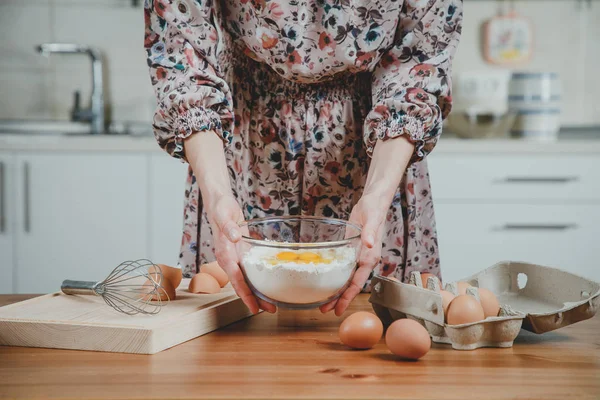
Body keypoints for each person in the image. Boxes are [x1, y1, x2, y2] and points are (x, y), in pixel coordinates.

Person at [145, 0, 463, 316]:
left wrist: (377, 198)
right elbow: (181, 53)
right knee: (230, 333)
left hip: (378, 156)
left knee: (381, 323)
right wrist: (218, 197)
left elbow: (417, 66)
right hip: (240, 158)